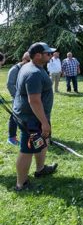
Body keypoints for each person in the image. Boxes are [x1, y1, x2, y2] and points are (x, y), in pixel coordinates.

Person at [13, 42, 58, 191]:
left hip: (36, 116)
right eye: (48, 53)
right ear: (38, 55)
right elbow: (34, 100)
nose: (51, 56)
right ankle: (21, 184)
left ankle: (40, 169)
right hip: (31, 118)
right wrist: (44, 122)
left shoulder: (34, 67)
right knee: (27, 150)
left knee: (43, 140)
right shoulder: (33, 73)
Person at [6, 52, 30, 146]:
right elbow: (10, 84)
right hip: (17, 98)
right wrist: (17, 96)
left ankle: (29, 134)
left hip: (28, 97)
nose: (30, 63)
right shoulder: (15, 69)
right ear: (24, 59)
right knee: (14, 117)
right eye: (28, 60)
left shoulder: (28, 68)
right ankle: (11, 138)